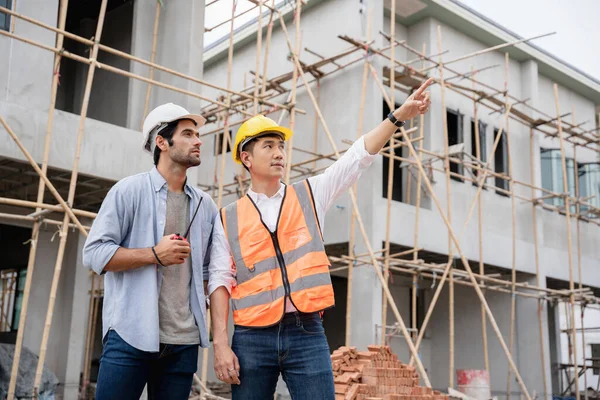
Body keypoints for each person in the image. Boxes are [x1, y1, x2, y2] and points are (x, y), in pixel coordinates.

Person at [209, 78, 433, 399]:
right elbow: (219, 280)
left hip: (306, 332)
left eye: (281, 145)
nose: (279, 153)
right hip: (252, 337)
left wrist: (396, 117)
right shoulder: (227, 217)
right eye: (268, 146)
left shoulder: (311, 194)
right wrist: (220, 343)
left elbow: (356, 158)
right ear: (246, 158)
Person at [83, 103, 235, 400]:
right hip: (129, 335)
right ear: (162, 142)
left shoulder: (205, 205)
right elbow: (95, 254)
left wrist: (218, 337)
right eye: (188, 134)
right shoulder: (128, 191)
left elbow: (212, 273)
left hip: (183, 342)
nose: (198, 141)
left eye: (197, 134)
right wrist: (154, 254)